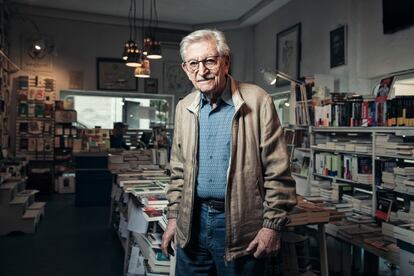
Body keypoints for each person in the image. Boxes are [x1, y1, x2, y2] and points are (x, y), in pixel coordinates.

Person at [161, 29, 297, 275]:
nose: (201, 71)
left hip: (240, 224)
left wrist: (272, 226)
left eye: (209, 61)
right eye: (193, 64)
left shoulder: (257, 100)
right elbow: (178, 171)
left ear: (225, 62)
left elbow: (277, 171)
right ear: (185, 69)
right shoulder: (184, 108)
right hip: (191, 221)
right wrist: (173, 218)